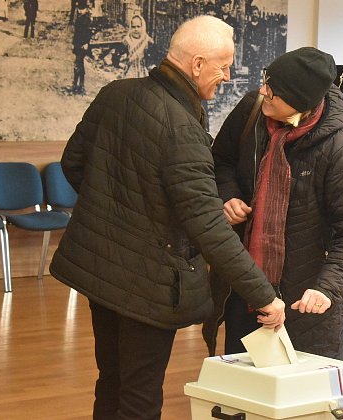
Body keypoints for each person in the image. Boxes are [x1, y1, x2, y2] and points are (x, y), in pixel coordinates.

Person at [49, 15, 286, 420]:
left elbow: (73, 164)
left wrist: (115, 215)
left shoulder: (115, 93)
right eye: (223, 65)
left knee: (112, 380)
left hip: (100, 270)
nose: (228, 76)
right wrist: (263, 294)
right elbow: (208, 226)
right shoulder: (182, 127)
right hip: (150, 282)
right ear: (196, 64)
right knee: (140, 395)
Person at [202, 47, 343, 360]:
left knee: (297, 405)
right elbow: (221, 160)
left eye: (274, 91)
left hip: (307, 304)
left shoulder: (340, 149)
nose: (263, 91)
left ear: (302, 103)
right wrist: (228, 196)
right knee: (242, 395)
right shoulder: (252, 110)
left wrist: (325, 289)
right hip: (247, 289)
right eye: (266, 81)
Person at [71, 2, 92, 94]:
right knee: (78, 63)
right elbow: (76, 34)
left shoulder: (87, 20)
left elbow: (88, 33)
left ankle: (80, 84)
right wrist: (73, 43)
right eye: (79, 9)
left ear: (86, 10)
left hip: (83, 45)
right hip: (77, 44)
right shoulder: (78, 19)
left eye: (82, 9)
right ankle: (76, 84)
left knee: (78, 64)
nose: (80, 11)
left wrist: (87, 43)